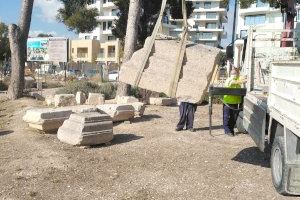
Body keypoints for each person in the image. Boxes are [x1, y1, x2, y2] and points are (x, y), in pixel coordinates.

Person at [223, 68, 246, 136]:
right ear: (230, 74)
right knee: (226, 117)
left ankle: (231, 130)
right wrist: (240, 81)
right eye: (232, 74)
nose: (234, 75)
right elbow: (230, 83)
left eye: (235, 74)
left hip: (236, 102)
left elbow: (241, 79)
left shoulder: (238, 79)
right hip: (228, 102)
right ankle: (227, 131)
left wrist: (244, 78)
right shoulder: (229, 80)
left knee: (234, 118)